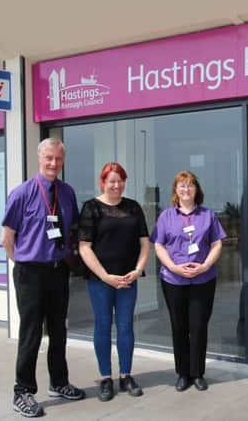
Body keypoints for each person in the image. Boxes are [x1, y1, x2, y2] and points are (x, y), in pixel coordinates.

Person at [1, 137, 85, 418]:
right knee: (31, 332)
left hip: (58, 271)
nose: (53, 164)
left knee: (59, 330)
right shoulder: (22, 193)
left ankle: (59, 382)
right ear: (40, 158)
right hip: (30, 272)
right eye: (49, 158)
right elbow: (7, 238)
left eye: (58, 159)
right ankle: (22, 391)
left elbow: (71, 230)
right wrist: (24, 263)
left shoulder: (67, 192)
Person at [78, 162, 150, 402]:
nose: (116, 185)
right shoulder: (91, 208)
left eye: (120, 180)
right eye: (111, 181)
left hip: (128, 279)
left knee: (126, 326)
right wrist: (104, 276)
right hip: (101, 281)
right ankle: (106, 378)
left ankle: (126, 375)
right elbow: (84, 247)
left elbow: (144, 243)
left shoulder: (133, 208)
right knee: (102, 326)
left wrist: (138, 270)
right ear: (103, 182)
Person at [150, 171, 226, 392]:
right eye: (181, 186)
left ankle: (198, 373)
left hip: (203, 279)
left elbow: (217, 244)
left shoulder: (208, 215)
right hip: (174, 280)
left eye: (190, 185)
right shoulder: (166, 216)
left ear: (196, 189)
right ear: (176, 190)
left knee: (199, 327)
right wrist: (173, 267)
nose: (186, 189)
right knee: (179, 327)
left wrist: (205, 266)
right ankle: (183, 373)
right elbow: (158, 245)